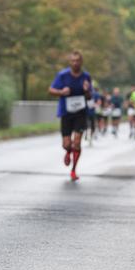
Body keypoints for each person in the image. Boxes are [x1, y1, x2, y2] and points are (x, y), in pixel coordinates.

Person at [48, 51, 93, 181]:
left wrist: (86, 90)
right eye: (73, 61)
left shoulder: (86, 76)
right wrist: (61, 92)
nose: (75, 63)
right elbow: (50, 90)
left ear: (81, 62)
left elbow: (90, 96)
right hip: (66, 112)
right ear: (69, 62)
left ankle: (74, 170)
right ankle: (68, 151)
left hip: (80, 113)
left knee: (77, 143)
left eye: (77, 61)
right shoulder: (62, 75)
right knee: (67, 144)